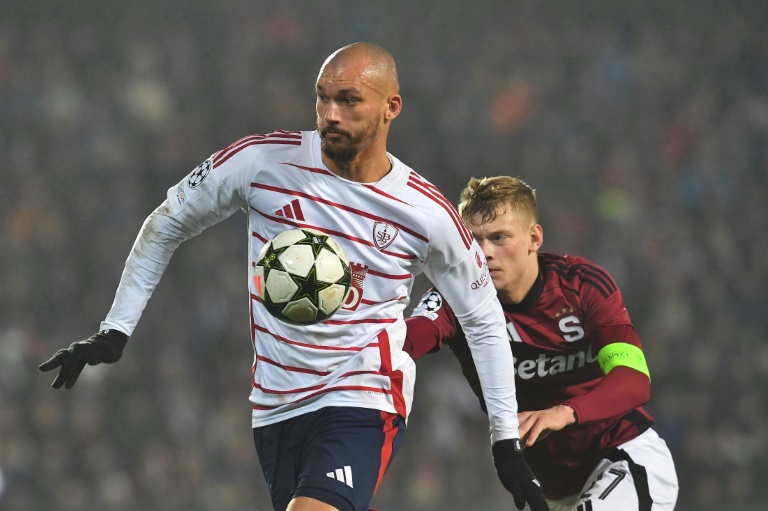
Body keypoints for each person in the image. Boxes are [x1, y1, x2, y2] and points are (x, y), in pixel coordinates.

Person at [39, 43, 547, 511]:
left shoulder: (427, 213)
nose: (331, 115)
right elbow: (164, 224)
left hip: (363, 394)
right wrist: (115, 329)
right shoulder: (261, 161)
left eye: (349, 101)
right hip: (275, 406)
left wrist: (505, 439)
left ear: (392, 107)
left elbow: (481, 318)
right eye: (322, 99)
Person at [405, 176, 679, 510]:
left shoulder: (581, 286)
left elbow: (634, 380)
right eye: (473, 241)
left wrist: (565, 412)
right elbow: (407, 340)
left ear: (534, 238)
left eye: (499, 238)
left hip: (623, 455)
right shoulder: (454, 297)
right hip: (554, 494)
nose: (485, 252)